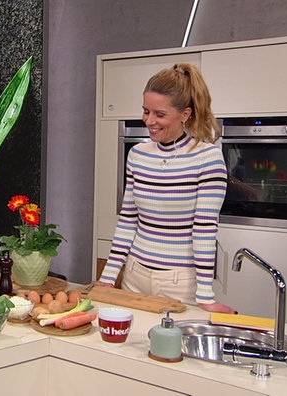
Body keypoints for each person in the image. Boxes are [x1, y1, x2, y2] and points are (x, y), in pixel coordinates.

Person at [97, 63, 235, 314]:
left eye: (159, 114)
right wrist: (108, 277)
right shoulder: (137, 154)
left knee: (170, 351)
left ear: (185, 114)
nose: (149, 121)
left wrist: (205, 296)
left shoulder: (207, 158)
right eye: (145, 111)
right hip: (134, 274)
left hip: (179, 282)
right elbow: (128, 220)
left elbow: (204, 229)